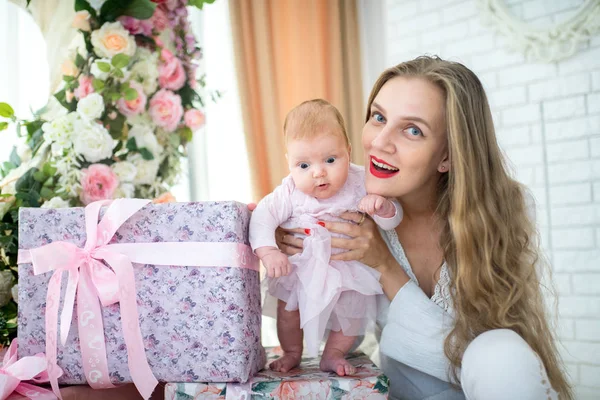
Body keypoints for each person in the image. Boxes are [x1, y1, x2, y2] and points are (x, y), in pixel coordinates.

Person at [274, 56, 573, 400]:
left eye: (413, 130)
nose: (379, 142)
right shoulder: (353, 210)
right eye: (378, 117)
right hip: (401, 392)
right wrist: (292, 248)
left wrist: (384, 265)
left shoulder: (500, 210)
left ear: (447, 156)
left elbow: (485, 360)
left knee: (501, 350)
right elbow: (341, 330)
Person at [249, 99, 402, 377]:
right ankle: (292, 352)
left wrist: (384, 208)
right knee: (288, 313)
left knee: (352, 311)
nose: (318, 172)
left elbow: (392, 221)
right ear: (289, 163)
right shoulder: (289, 192)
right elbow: (262, 216)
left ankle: (333, 354)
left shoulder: (361, 181)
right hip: (299, 270)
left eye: (331, 160)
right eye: (303, 165)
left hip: (346, 270)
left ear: (348, 152)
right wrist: (268, 251)